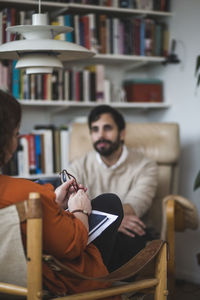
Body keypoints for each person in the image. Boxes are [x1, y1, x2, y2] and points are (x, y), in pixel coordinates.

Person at [0, 90, 125, 299]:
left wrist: (54, 203)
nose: (18, 140)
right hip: (50, 282)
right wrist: (79, 209)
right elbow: (73, 246)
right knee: (109, 203)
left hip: (7, 283)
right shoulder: (28, 193)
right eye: (15, 134)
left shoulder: (28, 194)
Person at [68, 105, 158, 264]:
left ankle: (112, 287)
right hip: (90, 228)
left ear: (122, 134)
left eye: (107, 128)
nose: (100, 135)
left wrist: (105, 220)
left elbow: (136, 205)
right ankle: (96, 284)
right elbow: (69, 204)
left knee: (131, 236)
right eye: (95, 130)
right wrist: (113, 221)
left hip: (128, 228)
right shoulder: (77, 166)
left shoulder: (146, 166)